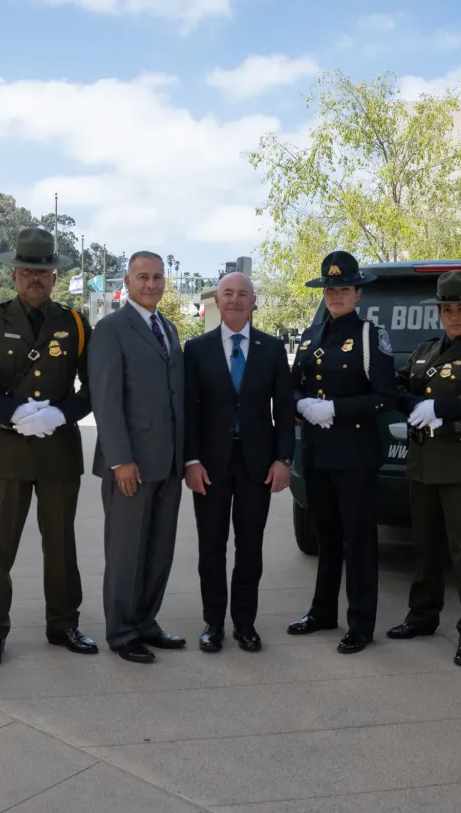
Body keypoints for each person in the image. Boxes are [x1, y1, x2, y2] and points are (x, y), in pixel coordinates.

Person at [0, 227, 98, 670]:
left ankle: (63, 624)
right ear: (14, 275)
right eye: (28, 271)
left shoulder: (73, 323)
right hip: (7, 450)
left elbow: (94, 385)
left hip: (57, 450)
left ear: (55, 277)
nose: (36, 278)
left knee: (60, 544)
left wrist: (63, 413)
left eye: (44, 271)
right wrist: (8, 411)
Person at [389, 271, 461, 667]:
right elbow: (398, 385)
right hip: (422, 461)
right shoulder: (424, 350)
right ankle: (422, 616)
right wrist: (412, 405)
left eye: (460, 309)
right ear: (438, 313)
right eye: (446, 309)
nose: (453, 316)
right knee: (424, 547)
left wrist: (441, 407)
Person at [286, 251, 395, 655]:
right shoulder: (312, 336)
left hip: (354, 455)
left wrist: (335, 408)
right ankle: (322, 612)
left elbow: (384, 396)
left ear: (357, 292)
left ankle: (361, 623)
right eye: (330, 289)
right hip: (317, 453)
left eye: (344, 288)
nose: (336, 295)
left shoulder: (370, 336)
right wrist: (302, 404)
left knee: (358, 541)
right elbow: (293, 384)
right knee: (326, 537)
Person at [183, 272, 296, 653]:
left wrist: (284, 459)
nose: (234, 300)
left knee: (250, 547)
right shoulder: (196, 349)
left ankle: (244, 623)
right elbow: (188, 410)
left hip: (257, 465)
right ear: (217, 299)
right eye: (228, 293)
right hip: (210, 465)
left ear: (253, 301)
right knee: (211, 547)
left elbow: (283, 407)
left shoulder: (272, 348)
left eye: (242, 294)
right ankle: (213, 623)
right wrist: (191, 460)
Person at [88, 252, 186, 664]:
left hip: (168, 463)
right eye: (142, 277)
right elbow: (106, 401)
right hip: (131, 465)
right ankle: (122, 630)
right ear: (126, 281)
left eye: (158, 277)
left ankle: (146, 621)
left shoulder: (169, 328)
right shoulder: (111, 329)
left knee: (159, 550)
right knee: (127, 552)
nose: (151, 284)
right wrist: (120, 460)